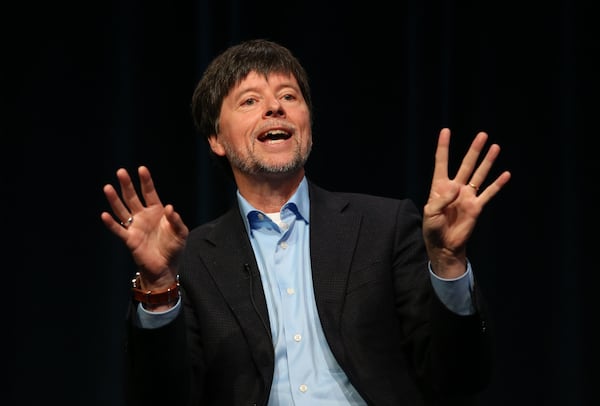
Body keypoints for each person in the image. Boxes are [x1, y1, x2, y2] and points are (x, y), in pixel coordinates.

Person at [101, 39, 511, 406]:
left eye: (288, 96)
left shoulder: (385, 226)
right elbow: (159, 397)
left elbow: (461, 377)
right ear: (217, 140)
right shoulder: (189, 262)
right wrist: (157, 290)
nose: (274, 107)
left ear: (308, 128)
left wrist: (448, 264)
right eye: (249, 101)